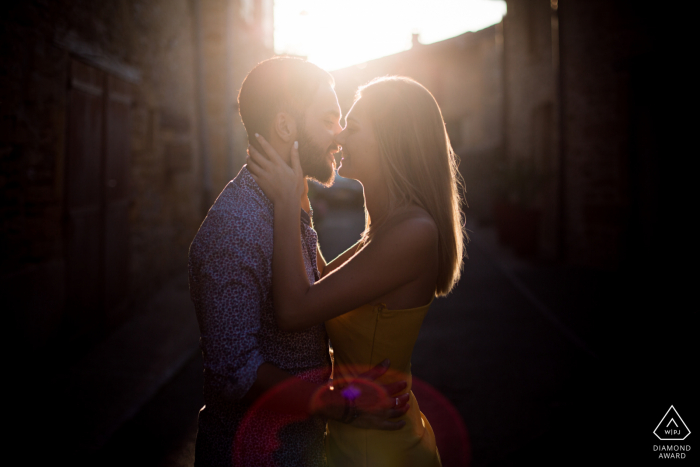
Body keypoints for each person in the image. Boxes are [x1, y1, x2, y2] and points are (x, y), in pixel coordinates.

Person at [188, 57, 409, 467]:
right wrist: (337, 404)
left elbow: (320, 299)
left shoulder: (286, 205)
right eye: (329, 119)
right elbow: (235, 369)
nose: (340, 135)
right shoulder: (237, 226)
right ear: (286, 126)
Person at [247, 76, 466, 466]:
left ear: (393, 140)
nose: (339, 137)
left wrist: (284, 203)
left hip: (376, 451)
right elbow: (322, 289)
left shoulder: (413, 232)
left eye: (354, 126)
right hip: (359, 436)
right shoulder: (388, 227)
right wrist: (300, 200)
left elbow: (296, 309)